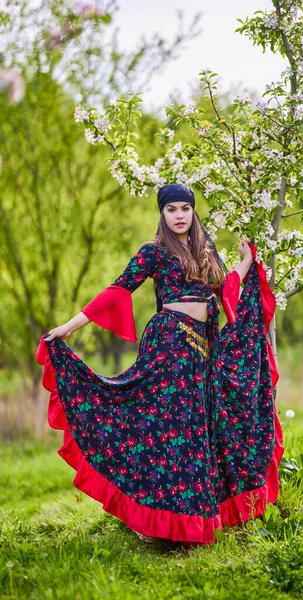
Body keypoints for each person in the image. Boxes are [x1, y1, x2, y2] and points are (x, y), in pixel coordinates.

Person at [36, 183, 283, 546]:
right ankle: (161, 523)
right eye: (172, 210)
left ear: (193, 211)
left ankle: (189, 522)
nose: (179, 215)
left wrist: (246, 262)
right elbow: (116, 291)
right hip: (169, 344)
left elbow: (224, 291)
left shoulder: (206, 250)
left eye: (185, 208)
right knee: (172, 431)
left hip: (203, 350)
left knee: (198, 430)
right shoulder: (153, 252)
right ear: (162, 214)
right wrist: (68, 327)